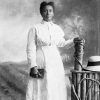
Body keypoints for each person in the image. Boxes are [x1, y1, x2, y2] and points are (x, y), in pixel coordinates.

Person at [26, 1, 78, 100]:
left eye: (50, 11)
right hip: (41, 61)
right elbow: (30, 48)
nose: (48, 13)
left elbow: (62, 43)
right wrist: (33, 65)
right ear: (41, 13)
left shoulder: (57, 28)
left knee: (55, 85)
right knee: (42, 85)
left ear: (53, 13)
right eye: (45, 11)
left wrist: (73, 40)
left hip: (55, 61)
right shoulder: (35, 28)